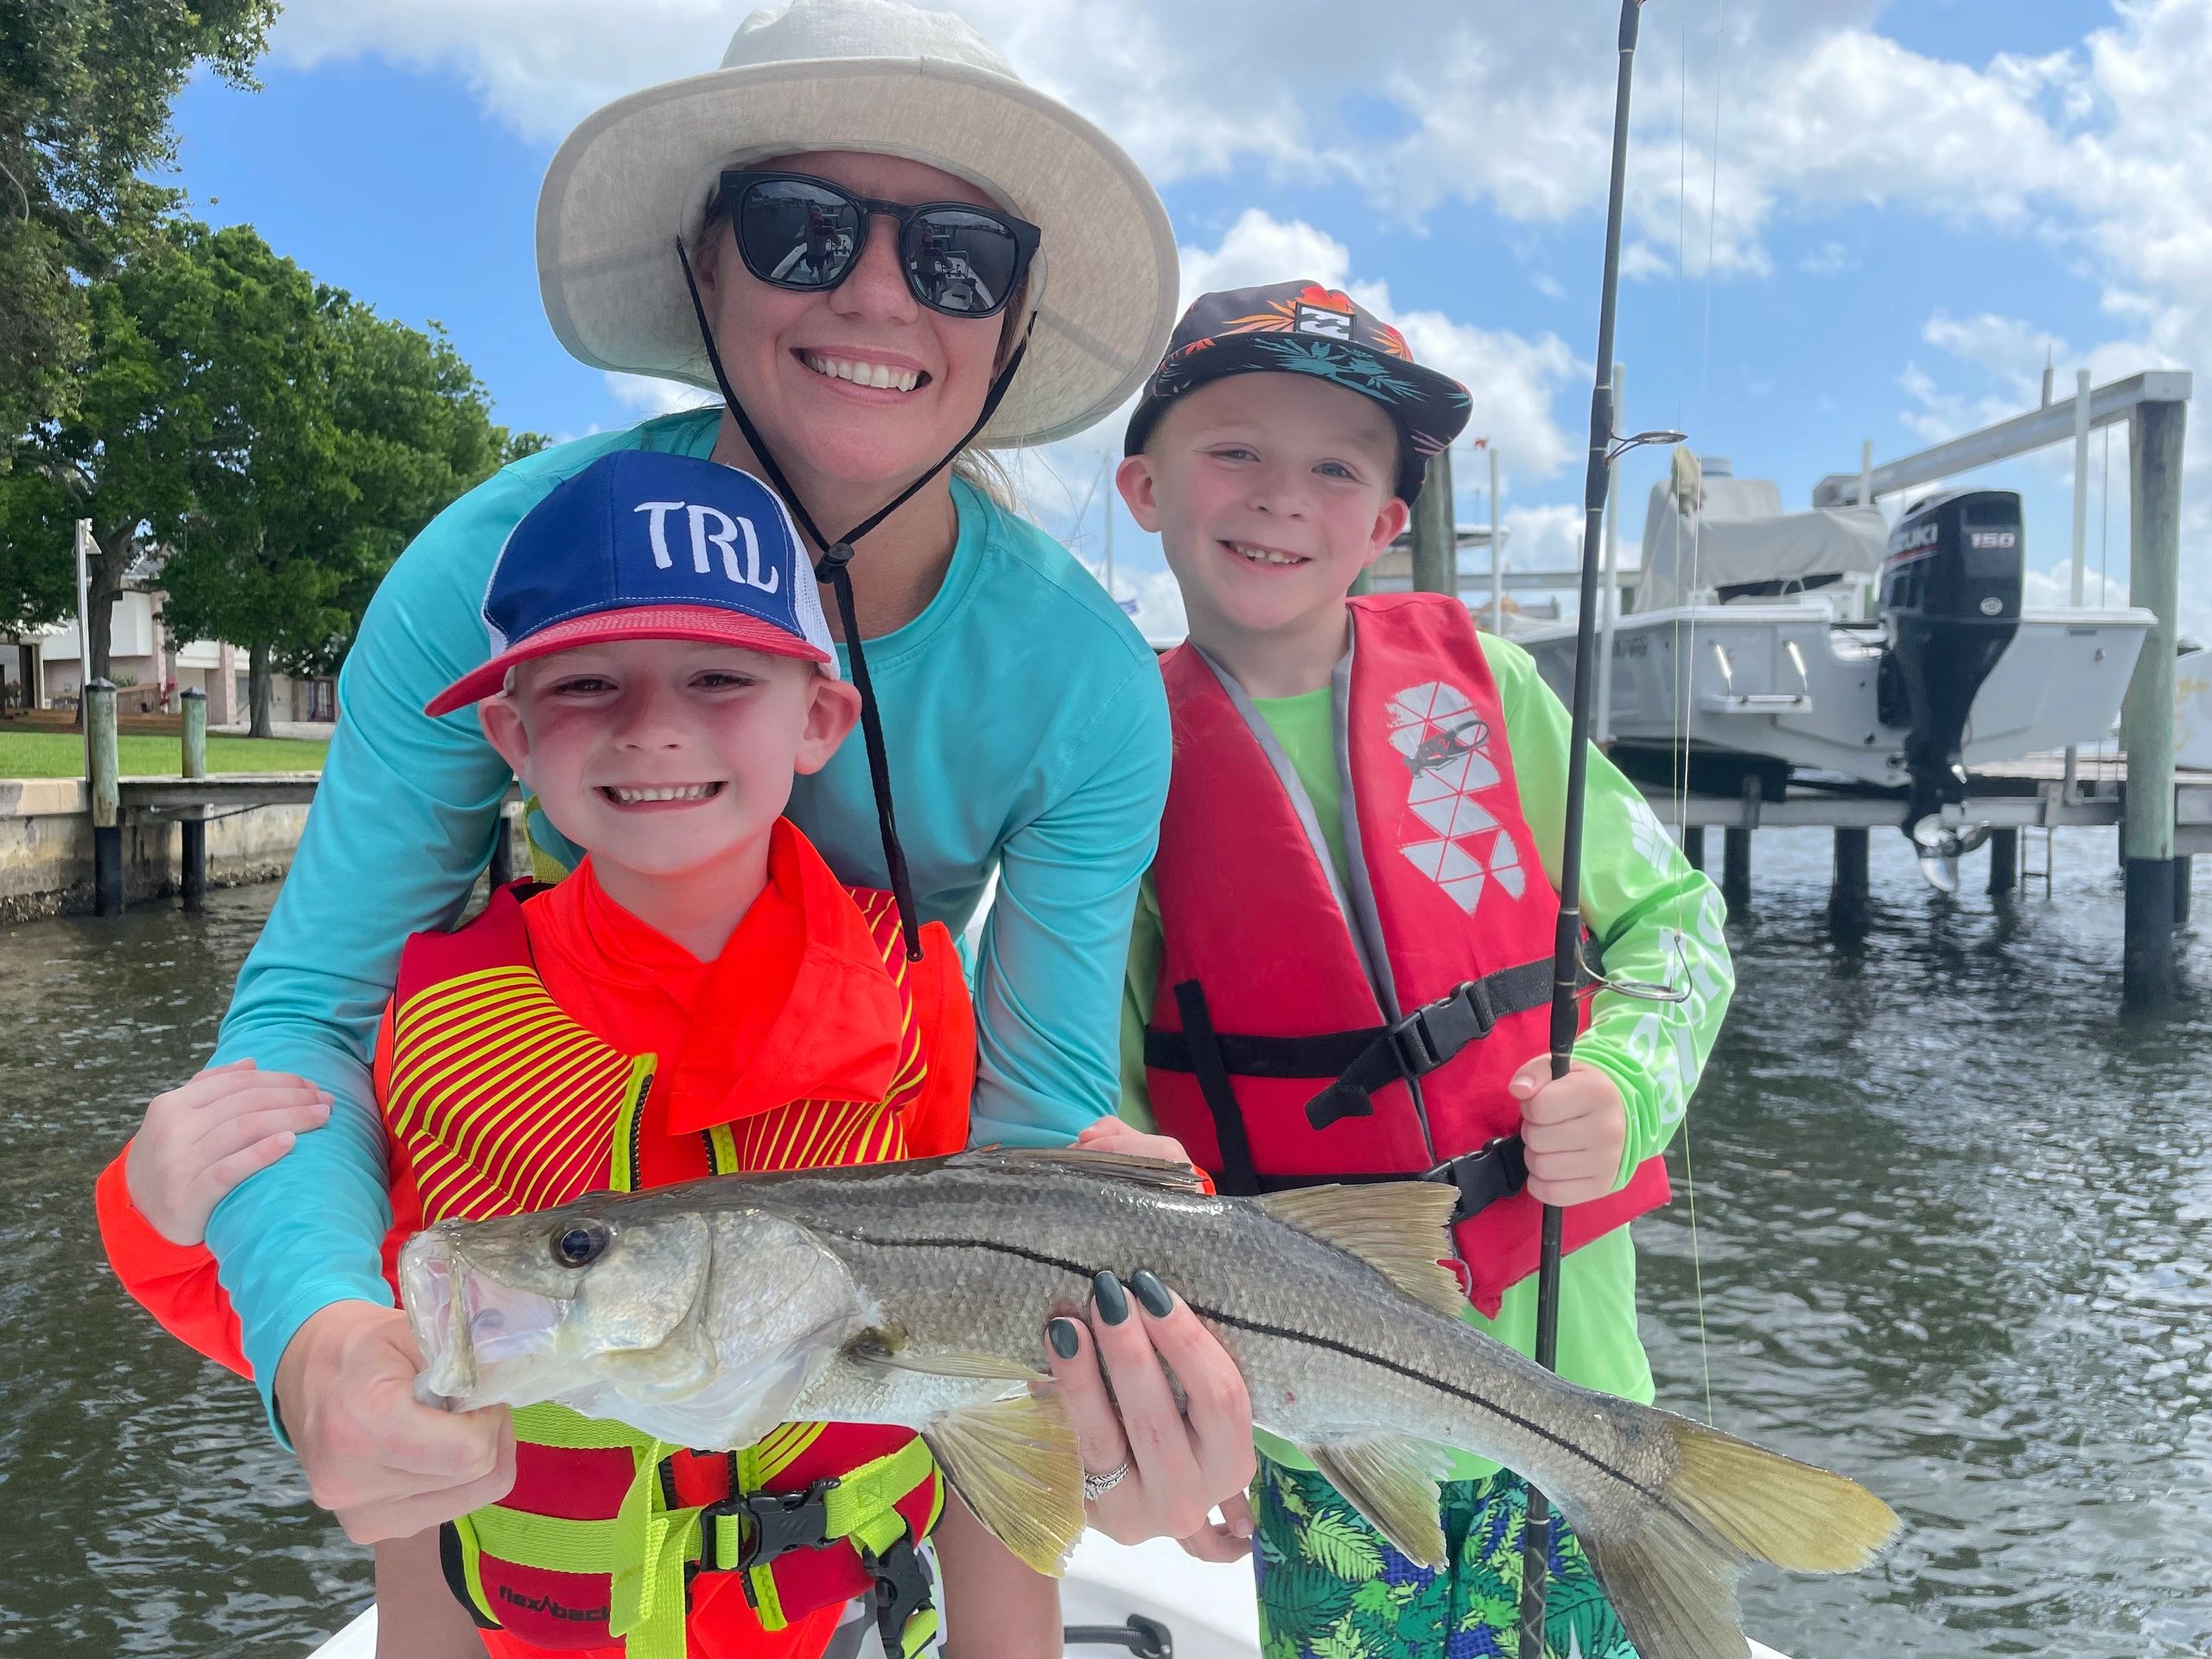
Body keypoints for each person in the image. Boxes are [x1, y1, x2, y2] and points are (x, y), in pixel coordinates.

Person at [161, 0, 1254, 1581]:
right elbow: (311, 1019)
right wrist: (322, 1342)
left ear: (1011, 320)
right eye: (800, 227)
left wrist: (1129, 1385)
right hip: (553, 1193)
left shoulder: (1086, 682)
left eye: (959, 256)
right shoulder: (481, 574)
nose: (880, 291)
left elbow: (1025, 1130)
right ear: (704, 260)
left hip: (876, 1227)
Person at [102, 452, 1080, 1659]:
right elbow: (332, 1332)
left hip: (848, 1623)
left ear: (821, 718)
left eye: (720, 676)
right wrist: (153, 1207)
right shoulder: (443, 1018)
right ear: (509, 733)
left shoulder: (919, 992)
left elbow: (986, 1350)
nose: (654, 727)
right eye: (587, 685)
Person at [1109, 283, 1738, 1659]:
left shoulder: (1491, 692)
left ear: (1387, 525)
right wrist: (1173, 1400)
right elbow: (1116, 1125)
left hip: (1578, 1387)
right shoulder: (1120, 754)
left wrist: (1625, 1085)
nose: (1283, 497)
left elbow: (1678, 925)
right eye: (1236, 450)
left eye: (1337, 466)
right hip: (1316, 1429)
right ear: (1143, 485)